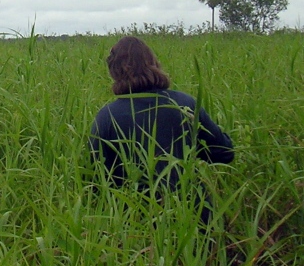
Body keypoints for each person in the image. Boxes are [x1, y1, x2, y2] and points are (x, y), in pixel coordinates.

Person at [89, 36, 233, 221]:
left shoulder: (107, 116)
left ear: (114, 71)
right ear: (153, 63)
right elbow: (224, 152)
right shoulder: (185, 104)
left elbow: (97, 179)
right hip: (194, 215)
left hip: (136, 224)